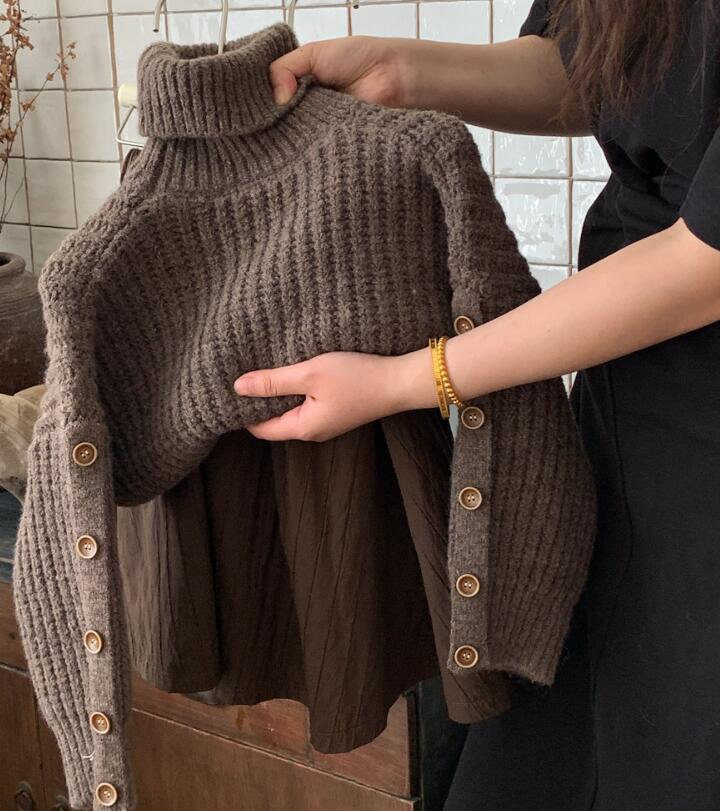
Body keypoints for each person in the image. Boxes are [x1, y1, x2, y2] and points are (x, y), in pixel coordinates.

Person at [233, 2, 720, 807]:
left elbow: (704, 264)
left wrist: (407, 378)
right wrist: (398, 71)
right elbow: (589, 65)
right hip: (626, 411)